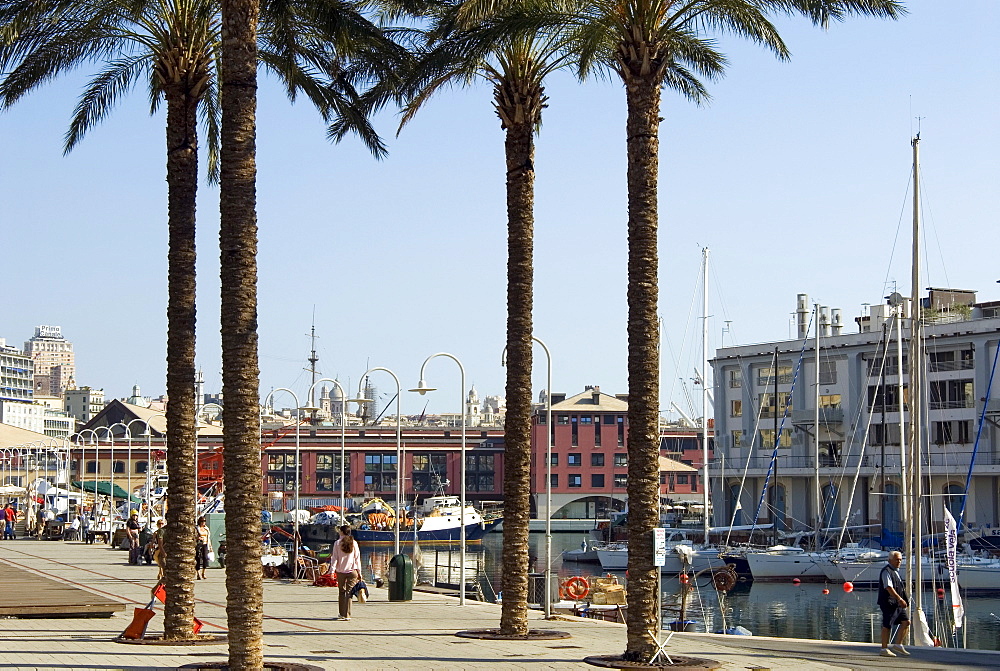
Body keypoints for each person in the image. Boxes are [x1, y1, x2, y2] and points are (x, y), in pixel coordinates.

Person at [877, 550, 911, 657]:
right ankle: (884, 648)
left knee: (906, 622)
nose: (899, 562)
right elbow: (888, 587)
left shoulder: (896, 571)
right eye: (897, 559)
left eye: (900, 560)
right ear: (890, 560)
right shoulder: (886, 571)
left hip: (897, 604)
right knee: (887, 625)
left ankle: (898, 644)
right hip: (889, 602)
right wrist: (900, 599)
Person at [329, 525, 361, 621]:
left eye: (340, 531)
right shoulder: (354, 543)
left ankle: (342, 613)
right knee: (349, 592)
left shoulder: (338, 543)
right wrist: (359, 572)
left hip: (341, 571)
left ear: (342, 532)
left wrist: (332, 571)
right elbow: (357, 558)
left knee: (342, 592)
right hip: (352, 571)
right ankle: (348, 614)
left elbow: (334, 558)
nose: (339, 532)